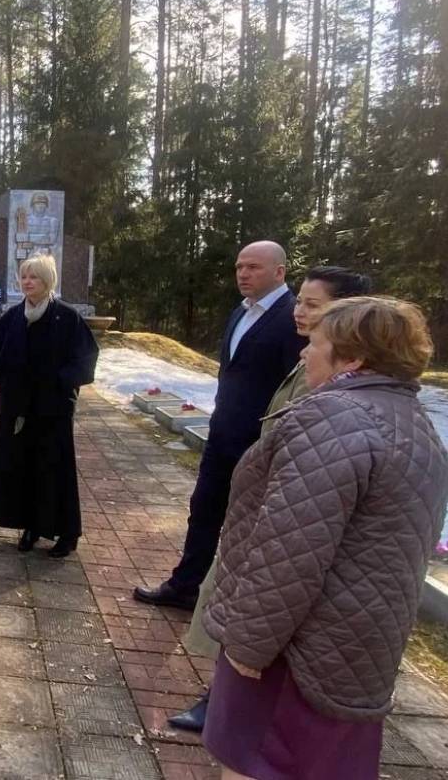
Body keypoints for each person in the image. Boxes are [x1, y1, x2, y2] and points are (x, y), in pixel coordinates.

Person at [200, 297, 448, 780]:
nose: (302, 354)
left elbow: (288, 551)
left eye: (315, 343)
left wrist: (247, 647)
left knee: (257, 766)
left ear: (353, 358)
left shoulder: (331, 419)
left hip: (294, 651)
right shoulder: (417, 427)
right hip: (359, 650)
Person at [168, 265, 373, 733]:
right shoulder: (312, 358)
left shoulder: (340, 382)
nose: (298, 312)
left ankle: (228, 704)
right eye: (299, 301)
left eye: (313, 305)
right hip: (267, 495)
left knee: (257, 612)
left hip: (287, 513)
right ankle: (226, 697)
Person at [135, 241, 304, 609]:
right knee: (204, 509)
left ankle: (237, 600)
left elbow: (296, 387)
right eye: (240, 266)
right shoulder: (240, 312)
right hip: (222, 434)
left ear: (279, 272)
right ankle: (185, 586)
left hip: (260, 441)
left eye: (254, 267)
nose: (243, 274)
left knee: (249, 524)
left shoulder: (293, 320)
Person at [0, 254, 99, 557]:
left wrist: (59, 382)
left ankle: (67, 533)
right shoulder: (12, 317)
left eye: (33, 277)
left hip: (53, 410)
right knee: (24, 468)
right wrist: (3, 383)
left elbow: (85, 360)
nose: (27, 282)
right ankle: (31, 526)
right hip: (19, 409)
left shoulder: (67, 317)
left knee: (55, 470)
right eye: (24, 276)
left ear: (47, 281)